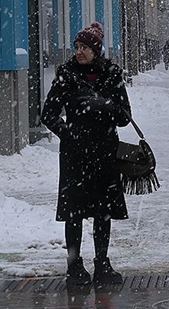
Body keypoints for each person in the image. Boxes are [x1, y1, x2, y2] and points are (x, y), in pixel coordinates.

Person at [40, 22, 131, 287]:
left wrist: (106, 106)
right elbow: (48, 114)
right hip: (75, 155)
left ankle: (102, 263)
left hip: (104, 152)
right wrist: (69, 133)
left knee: (103, 212)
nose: (79, 51)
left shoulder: (112, 74)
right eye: (77, 47)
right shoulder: (66, 75)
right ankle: (74, 265)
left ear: (96, 49)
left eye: (85, 47)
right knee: (74, 213)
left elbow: (125, 116)